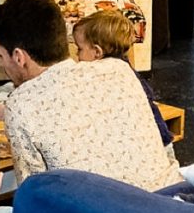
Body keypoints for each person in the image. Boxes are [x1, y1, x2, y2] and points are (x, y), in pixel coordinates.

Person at [0, 0, 183, 191]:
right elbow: (67, 106)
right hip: (172, 206)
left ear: (19, 57)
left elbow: (35, 197)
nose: (1, 64)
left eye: (0, 56)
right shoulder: (118, 69)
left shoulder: (21, 105)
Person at [72, 10, 178, 166]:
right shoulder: (124, 68)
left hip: (155, 144)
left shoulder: (112, 77)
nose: (76, 55)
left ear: (97, 52)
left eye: (79, 49)